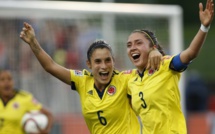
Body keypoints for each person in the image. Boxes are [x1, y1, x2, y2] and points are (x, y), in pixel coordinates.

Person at [19, 21, 162, 133]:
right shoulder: (83, 81)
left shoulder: (125, 79)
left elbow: (151, 67)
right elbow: (51, 66)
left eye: (108, 60)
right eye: (98, 61)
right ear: (89, 64)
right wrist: (33, 42)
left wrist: (154, 52)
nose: (104, 66)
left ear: (113, 61)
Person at [126, 0, 214, 133]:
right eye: (129, 45)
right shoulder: (130, 79)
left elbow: (190, 53)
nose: (133, 48)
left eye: (138, 43)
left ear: (152, 47)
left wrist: (204, 27)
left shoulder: (166, 65)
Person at [0, 69, 53, 134]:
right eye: (2, 80)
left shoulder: (24, 98)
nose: (6, 82)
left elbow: (49, 115)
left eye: (9, 79)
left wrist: (46, 130)